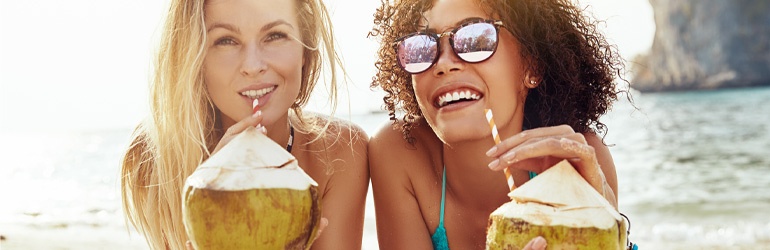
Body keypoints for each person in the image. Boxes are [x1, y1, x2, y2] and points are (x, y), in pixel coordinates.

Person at [368, 0, 631, 249]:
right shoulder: (401, 155)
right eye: (421, 47)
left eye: (475, 39)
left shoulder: (579, 161)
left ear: (532, 66)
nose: (444, 63)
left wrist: (611, 229)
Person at [120, 0, 369, 249]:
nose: (252, 66)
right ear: (195, 57)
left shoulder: (340, 152)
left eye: (274, 36)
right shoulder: (154, 158)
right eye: (226, 40)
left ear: (305, 50)